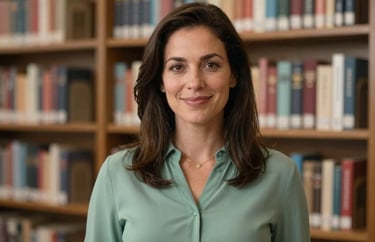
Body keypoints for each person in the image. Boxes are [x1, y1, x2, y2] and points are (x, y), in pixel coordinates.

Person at [84, 2, 310, 242]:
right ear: (161, 80)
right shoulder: (117, 174)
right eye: (177, 67)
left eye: (210, 65)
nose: (194, 82)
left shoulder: (280, 176)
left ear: (233, 75)